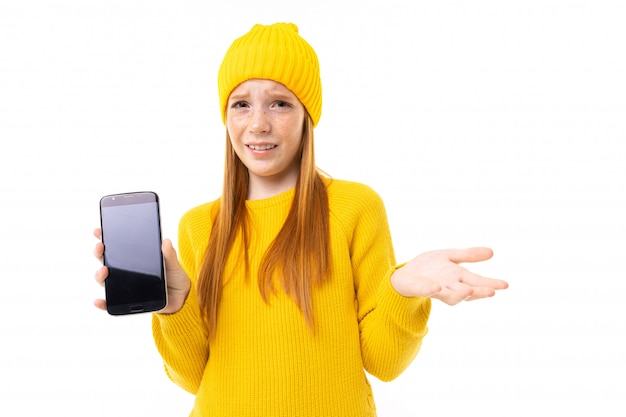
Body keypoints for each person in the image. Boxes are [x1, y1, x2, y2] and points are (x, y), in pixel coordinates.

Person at [93, 22, 508, 417]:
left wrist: (400, 289)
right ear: (226, 117)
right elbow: (192, 377)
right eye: (241, 104)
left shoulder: (353, 207)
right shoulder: (198, 225)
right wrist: (175, 306)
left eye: (280, 103)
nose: (258, 123)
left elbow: (384, 363)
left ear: (308, 114)